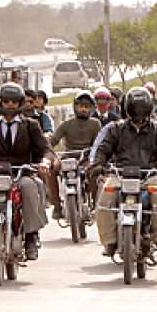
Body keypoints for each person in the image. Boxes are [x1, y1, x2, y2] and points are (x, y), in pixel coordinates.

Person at [0, 83, 55, 261]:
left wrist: (45, 161)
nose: (10, 105)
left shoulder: (31, 125)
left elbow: (46, 149)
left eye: (14, 101)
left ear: (21, 103)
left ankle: (31, 236)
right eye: (6, 101)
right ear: (0, 102)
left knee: (31, 187)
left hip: (21, 174)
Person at [90, 86, 157, 257]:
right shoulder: (115, 129)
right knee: (105, 197)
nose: (138, 113)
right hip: (120, 175)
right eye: (135, 108)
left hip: (150, 175)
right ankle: (109, 241)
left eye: (141, 108)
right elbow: (103, 149)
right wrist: (98, 165)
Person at [48, 91, 102, 220]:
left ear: (91, 108)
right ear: (76, 107)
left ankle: (95, 204)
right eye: (81, 106)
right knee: (51, 169)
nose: (83, 109)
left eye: (86, 107)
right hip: (68, 158)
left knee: (95, 173)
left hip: (87, 159)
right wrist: (50, 154)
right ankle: (56, 204)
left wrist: (94, 158)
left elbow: (99, 144)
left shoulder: (95, 124)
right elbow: (53, 141)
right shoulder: (67, 124)